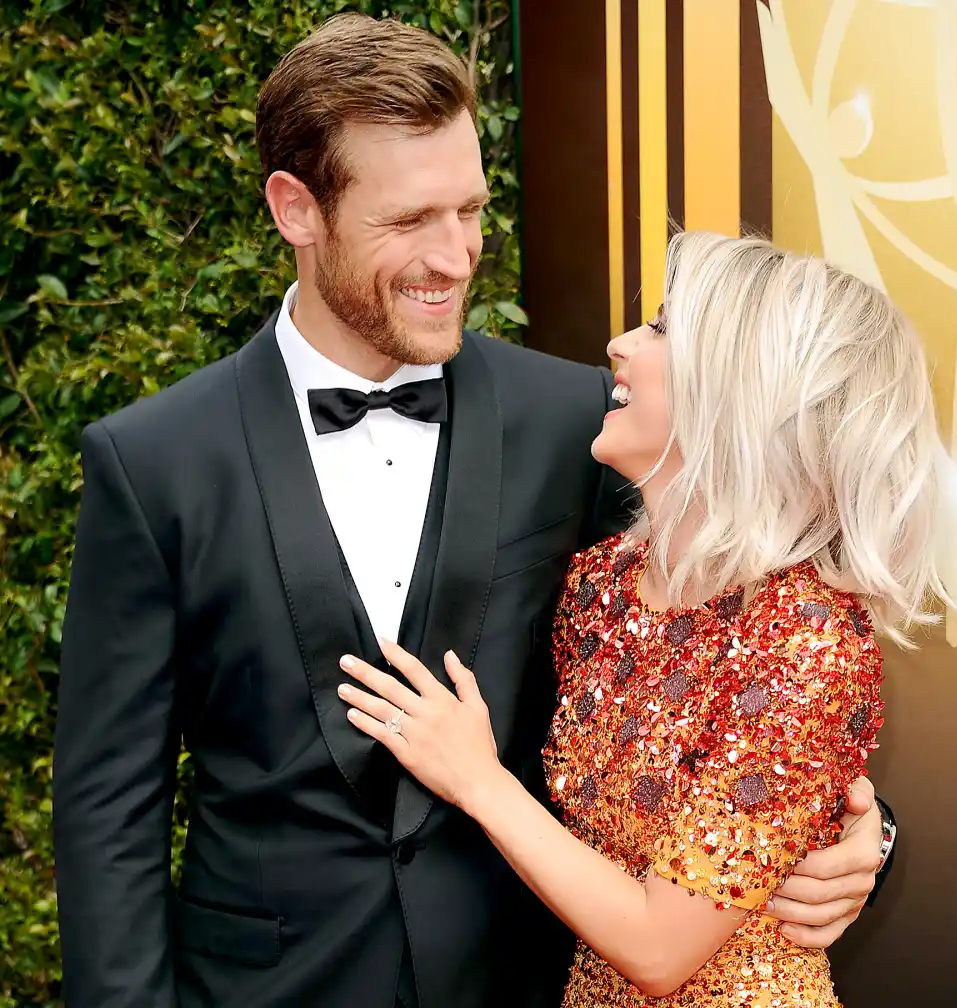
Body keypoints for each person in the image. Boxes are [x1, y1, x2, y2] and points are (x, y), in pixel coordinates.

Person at [52, 16, 890, 1008]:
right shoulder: (153, 462)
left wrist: (859, 831)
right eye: (410, 220)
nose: (455, 257)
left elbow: (748, 640)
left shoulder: (577, 421)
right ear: (297, 209)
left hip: (526, 982)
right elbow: (109, 806)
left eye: (471, 211)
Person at [335, 231, 937, 1007]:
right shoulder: (600, 584)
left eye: (660, 327)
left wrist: (476, 779)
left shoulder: (805, 634)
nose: (618, 344)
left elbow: (659, 947)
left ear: (739, 391)